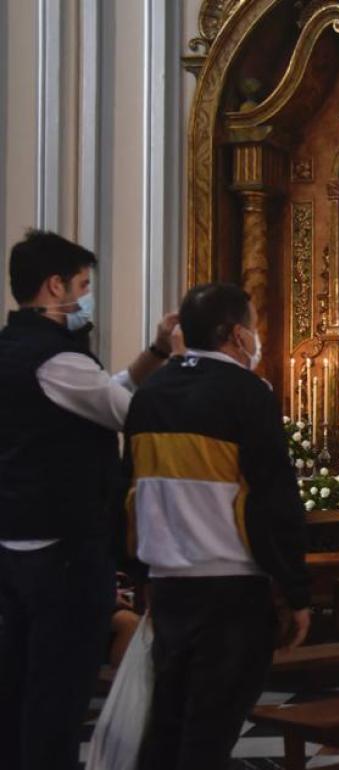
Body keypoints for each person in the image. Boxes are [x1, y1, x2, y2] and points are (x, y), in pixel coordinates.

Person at [0, 230, 176, 770]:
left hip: (15, 543)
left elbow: (104, 391)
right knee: (59, 689)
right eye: (82, 285)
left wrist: (155, 354)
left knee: (18, 684)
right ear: (55, 286)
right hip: (64, 552)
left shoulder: (18, 350)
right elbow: (128, 411)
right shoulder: (55, 360)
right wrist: (200, 376)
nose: (85, 296)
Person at [124, 283, 311, 770]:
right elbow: (272, 497)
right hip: (230, 588)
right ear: (235, 333)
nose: (256, 337)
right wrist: (295, 590)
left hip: (166, 585)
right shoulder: (248, 394)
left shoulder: (150, 394)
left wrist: (138, 574)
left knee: (166, 722)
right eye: (253, 326)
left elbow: (129, 492)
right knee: (210, 731)